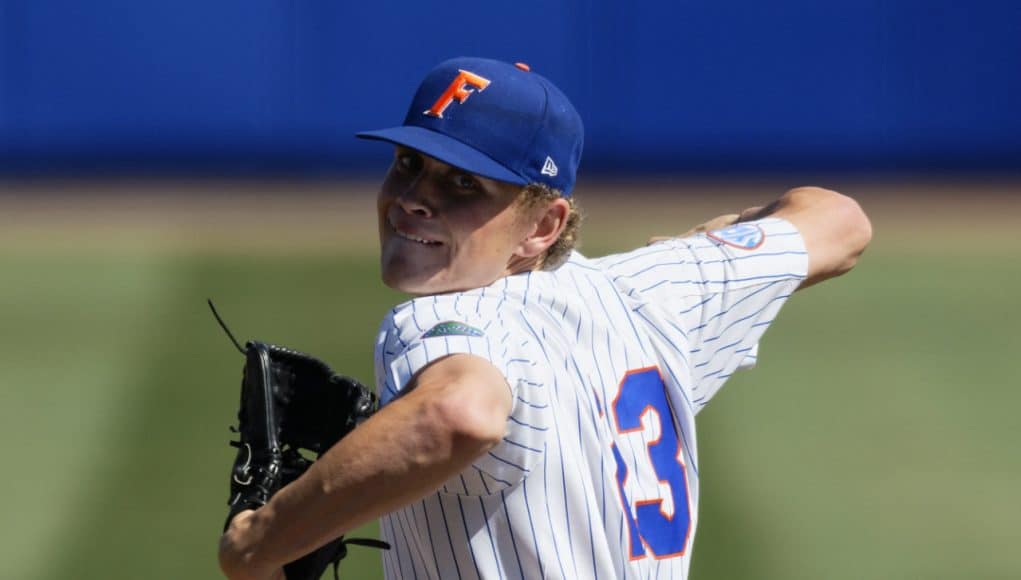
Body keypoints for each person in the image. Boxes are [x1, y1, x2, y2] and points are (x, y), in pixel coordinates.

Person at [218, 56, 872, 580]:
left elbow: (459, 413)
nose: (416, 198)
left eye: (464, 184)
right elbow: (837, 221)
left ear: (544, 224)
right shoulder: (659, 289)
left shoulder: (442, 317)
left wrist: (261, 539)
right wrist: (705, 243)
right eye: (408, 164)